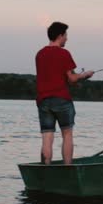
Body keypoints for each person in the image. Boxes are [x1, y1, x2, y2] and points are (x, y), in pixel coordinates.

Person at [35, 21, 94, 165]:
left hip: (43, 100)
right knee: (67, 134)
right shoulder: (64, 53)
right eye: (66, 35)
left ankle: (45, 170)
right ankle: (67, 169)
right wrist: (84, 75)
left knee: (47, 137)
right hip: (61, 99)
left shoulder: (39, 54)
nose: (67, 38)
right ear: (60, 35)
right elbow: (72, 79)